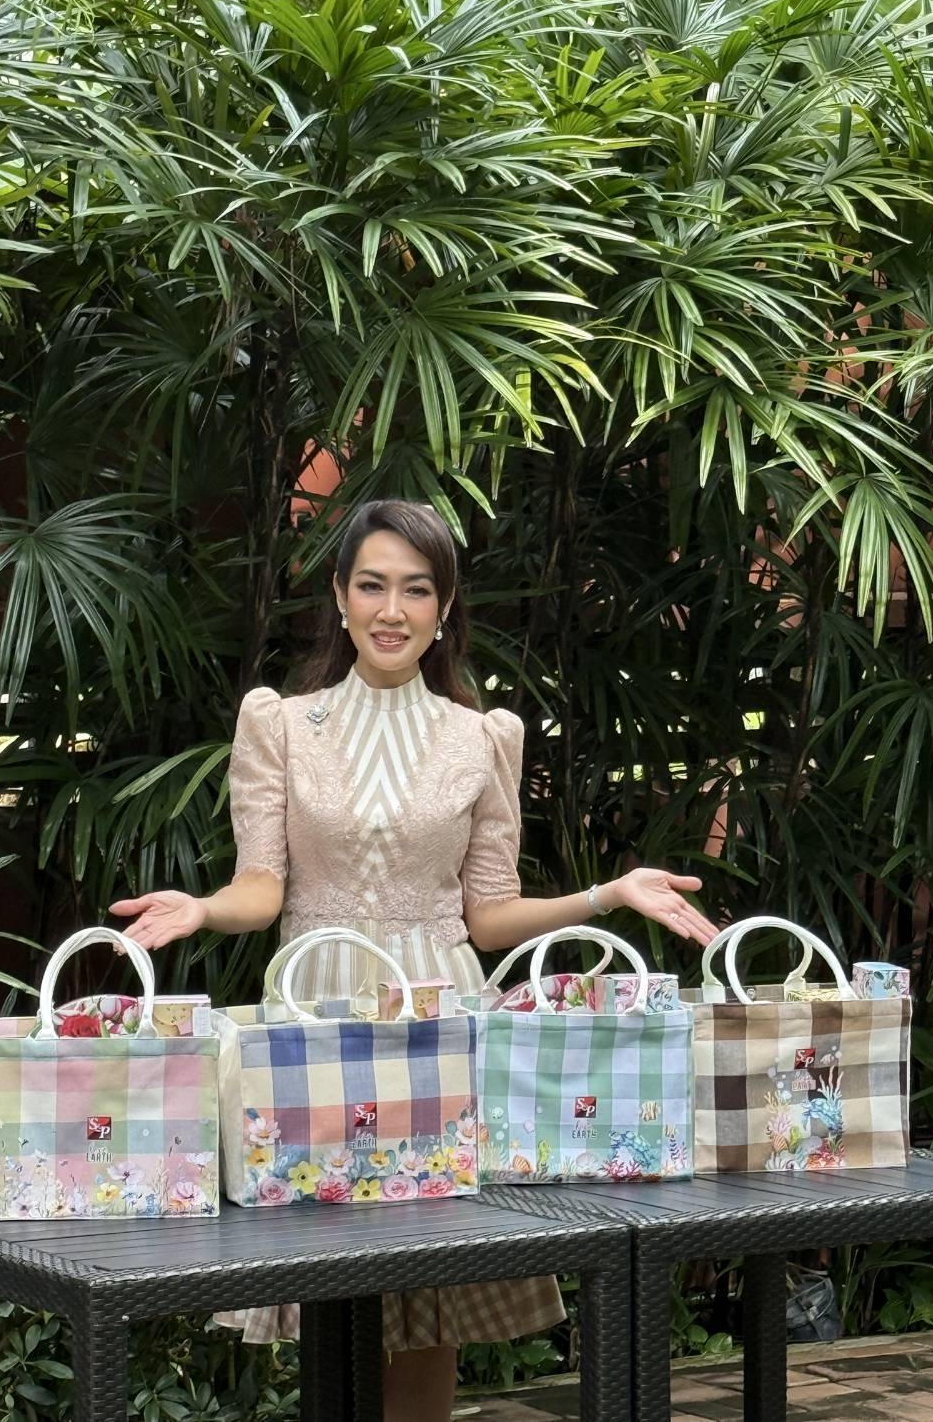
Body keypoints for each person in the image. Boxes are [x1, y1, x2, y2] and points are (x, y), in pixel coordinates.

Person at [111, 498, 717, 1422]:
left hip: (439, 1013)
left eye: (416, 589)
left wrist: (609, 892)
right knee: (324, 1281)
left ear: (444, 605)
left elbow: (490, 915)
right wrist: (200, 909)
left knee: (432, 1289)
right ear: (339, 597)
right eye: (373, 585)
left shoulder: (482, 737)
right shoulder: (280, 723)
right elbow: (262, 888)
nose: (392, 610)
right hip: (317, 1012)